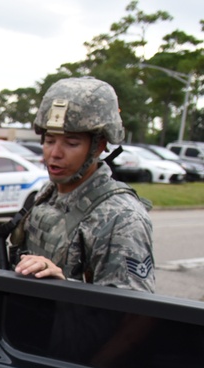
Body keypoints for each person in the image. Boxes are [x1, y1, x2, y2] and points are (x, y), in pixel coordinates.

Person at [8, 77, 155, 292]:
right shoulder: (47, 194)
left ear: (99, 146)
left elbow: (132, 315)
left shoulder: (122, 218)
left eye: (71, 143)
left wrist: (65, 286)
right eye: (49, 141)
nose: (55, 153)